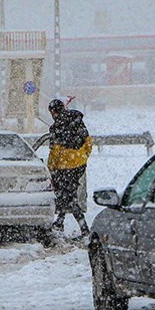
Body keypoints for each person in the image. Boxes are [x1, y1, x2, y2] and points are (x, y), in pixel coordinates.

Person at [47, 99, 93, 236]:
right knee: (65, 194)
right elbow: (89, 142)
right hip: (78, 165)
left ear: (54, 112)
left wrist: (51, 166)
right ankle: (60, 222)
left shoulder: (56, 127)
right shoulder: (77, 120)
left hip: (64, 167)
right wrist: (83, 157)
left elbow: (55, 150)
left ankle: (84, 229)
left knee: (69, 197)